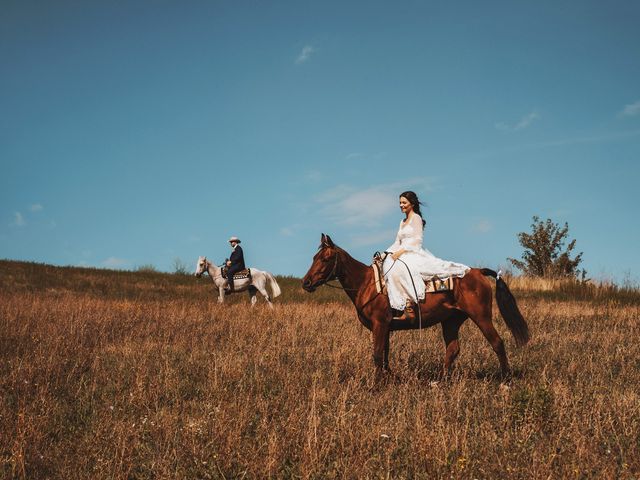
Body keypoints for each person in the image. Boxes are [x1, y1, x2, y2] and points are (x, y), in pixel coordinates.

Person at [383, 191, 469, 321]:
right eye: (400, 202)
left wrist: (401, 252)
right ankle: (394, 305)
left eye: (404, 202)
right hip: (400, 251)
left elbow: (417, 241)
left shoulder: (416, 218)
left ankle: (409, 306)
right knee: (386, 266)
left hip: (412, 252)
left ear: (412, 204)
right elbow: (397, 242)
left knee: (400, 269)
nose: (401, 205)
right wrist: (385, 253)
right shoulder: (402, 222)